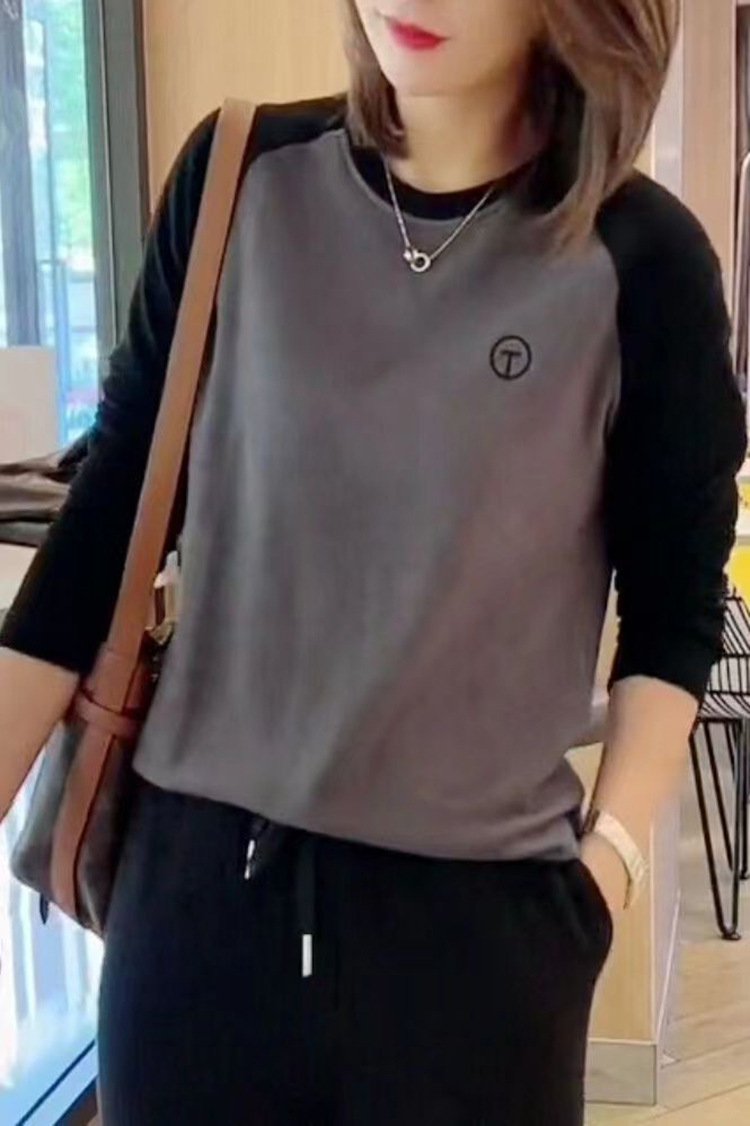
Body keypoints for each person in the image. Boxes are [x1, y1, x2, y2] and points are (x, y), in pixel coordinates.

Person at [1, 1, 747, 1122]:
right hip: (199, 920)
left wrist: (610, 869)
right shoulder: (240, 177)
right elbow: (99, 536)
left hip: (481, 949)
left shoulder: (643, 261)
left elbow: (675, 610)